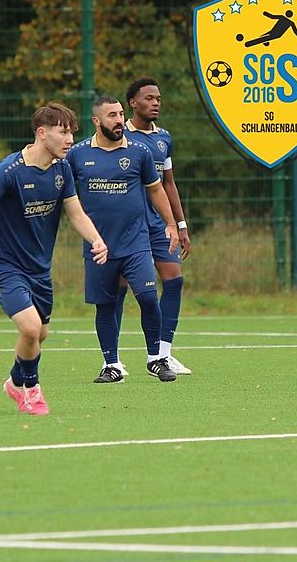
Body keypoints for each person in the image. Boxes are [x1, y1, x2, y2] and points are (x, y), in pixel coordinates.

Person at [0, 102, 108, 415]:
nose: (70, 139)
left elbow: (76, 213)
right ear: (42, 134)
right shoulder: (10, 171)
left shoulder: (62, 168)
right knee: (30, 329)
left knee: (40, 334)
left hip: (39, 270)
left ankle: (15, 382)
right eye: (63, 132)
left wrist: (96, 239)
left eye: (71, 133)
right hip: (6, 266)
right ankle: (31, 390)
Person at [66, 96, 180, 384]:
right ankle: (112, 364)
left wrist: (171, 223)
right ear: (96, 121)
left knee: (147, 297)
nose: (119, 120)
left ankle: (156, 359)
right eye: (111, 116)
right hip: (98, 247)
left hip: (136, 242)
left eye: (120, 114)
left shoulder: (139, 152)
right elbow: (62, 192)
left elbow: (156, 190)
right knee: (105, 305)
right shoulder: (77, 155)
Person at [115, 77, 192, 376]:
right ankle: (113, 359)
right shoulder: (122, 137)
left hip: (161, 225)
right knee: (119, 288)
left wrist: (181, 224)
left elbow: (168, 183)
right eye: (148, 98)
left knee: (174, 280)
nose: (155, 102)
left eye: (158, 98)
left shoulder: (164, 138)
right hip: (130, 226)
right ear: (133, 103)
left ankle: (163, 354)